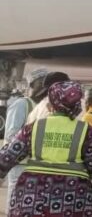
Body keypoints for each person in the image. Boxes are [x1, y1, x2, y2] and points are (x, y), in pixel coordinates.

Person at [0, 81, 92, 217]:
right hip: (73, 199)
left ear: (51, 104)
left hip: (31, 196)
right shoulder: (85, 131)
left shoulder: (33, 127)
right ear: (77, 105)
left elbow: (5, 159)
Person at [2, 67, 47, 211]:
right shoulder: (22, 104)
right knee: (16, 199)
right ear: (32, 85)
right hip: (20, 164)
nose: (45, 87)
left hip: (37, 164)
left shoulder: (45, 106)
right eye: (41, 83)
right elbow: (11, 134)